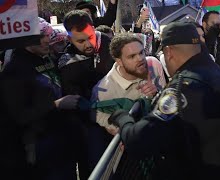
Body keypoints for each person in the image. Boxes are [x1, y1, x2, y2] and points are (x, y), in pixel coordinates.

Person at [108, 22, 220, 180]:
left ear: (168, 52)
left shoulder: (182, 87)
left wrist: (123, 118)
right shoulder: (219, 73)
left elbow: (139, 140)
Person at [0, 18, 80, 180]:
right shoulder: (15, 69)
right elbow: (18, 116)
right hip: (39, 145)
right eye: (40, 36)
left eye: (47, 34)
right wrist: (55, 105)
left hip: (62, 139)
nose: (46, 39)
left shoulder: (46, 58)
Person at [58, 10, 115, 178]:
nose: (88, 44)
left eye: (90, 37)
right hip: (90, 127)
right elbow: (77, 101)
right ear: (69, 39)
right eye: (80, 41)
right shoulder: (67, 62)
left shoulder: (109, 44)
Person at [91, 33, 166, 135]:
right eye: (132, 56)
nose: (140, 59)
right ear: (119, 61)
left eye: (141, 52)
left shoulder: (153, 64)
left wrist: (157, 94)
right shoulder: (103, 92)